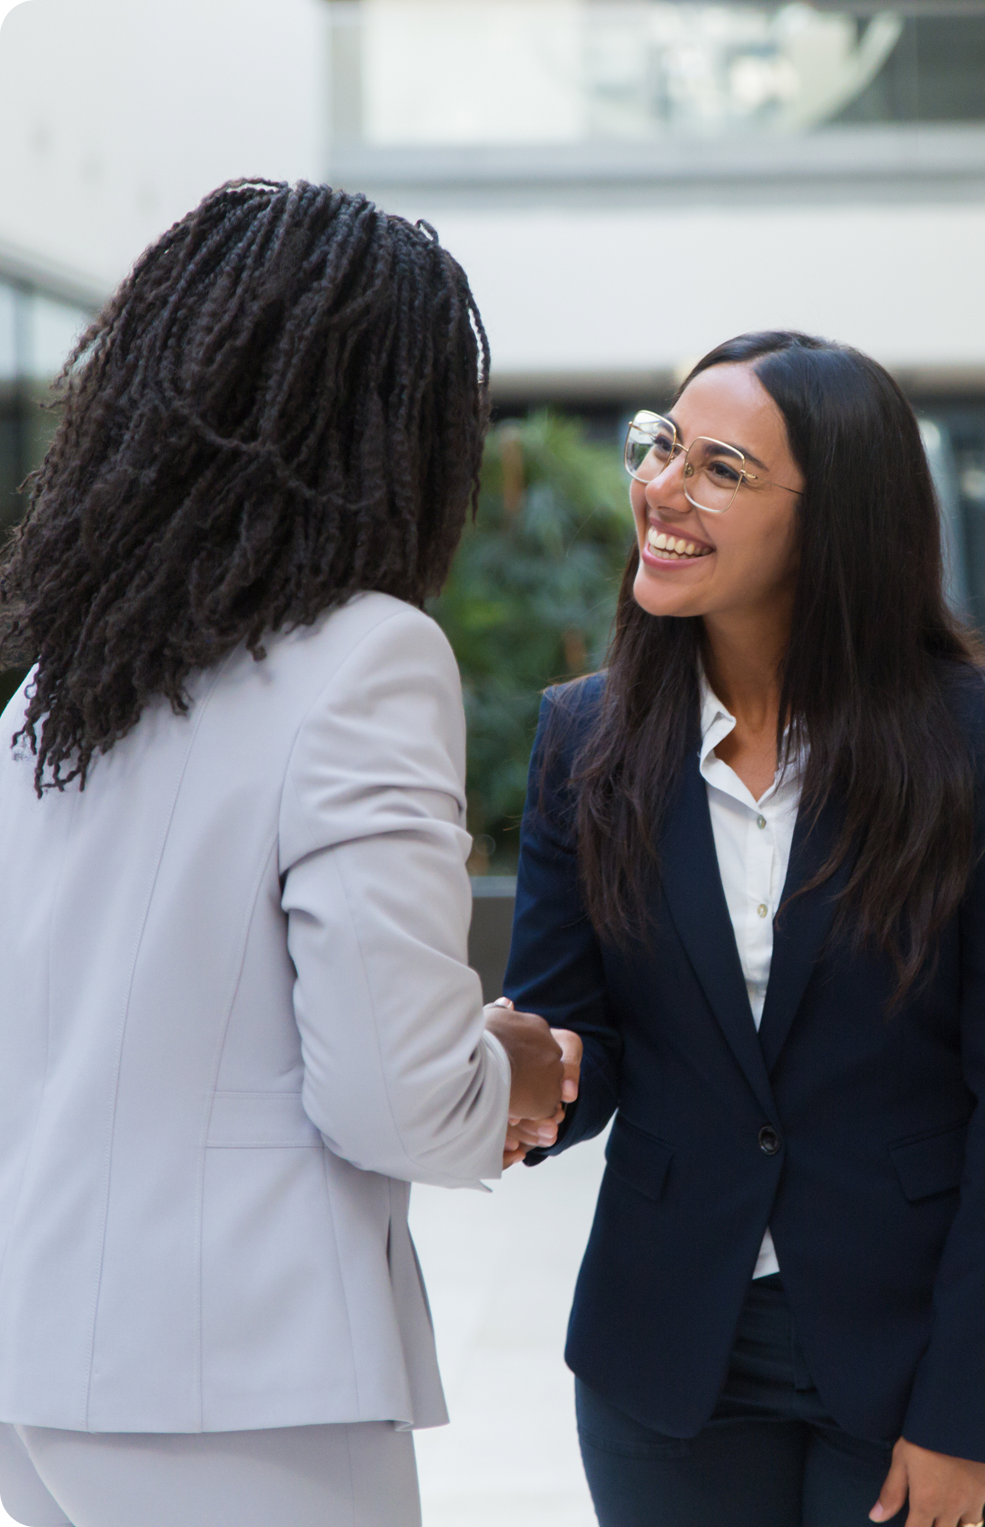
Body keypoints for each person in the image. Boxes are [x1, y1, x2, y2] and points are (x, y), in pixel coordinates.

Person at [0, 180, 573, 1527]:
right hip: (236, 1376)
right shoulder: (366, 655)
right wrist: (514, 1069)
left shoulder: (54, 690)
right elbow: (392, 1094)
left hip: (35, 1355)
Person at [502, 331, 985, 1527]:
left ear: (837, 520)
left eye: (720, 467)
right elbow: (579, 1037)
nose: (661, 487)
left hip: (925, 1347)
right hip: (669, 1362)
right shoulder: (584, 738)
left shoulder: (972, 733)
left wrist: (970, 1415)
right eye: (662, 447)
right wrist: (538, 1073)